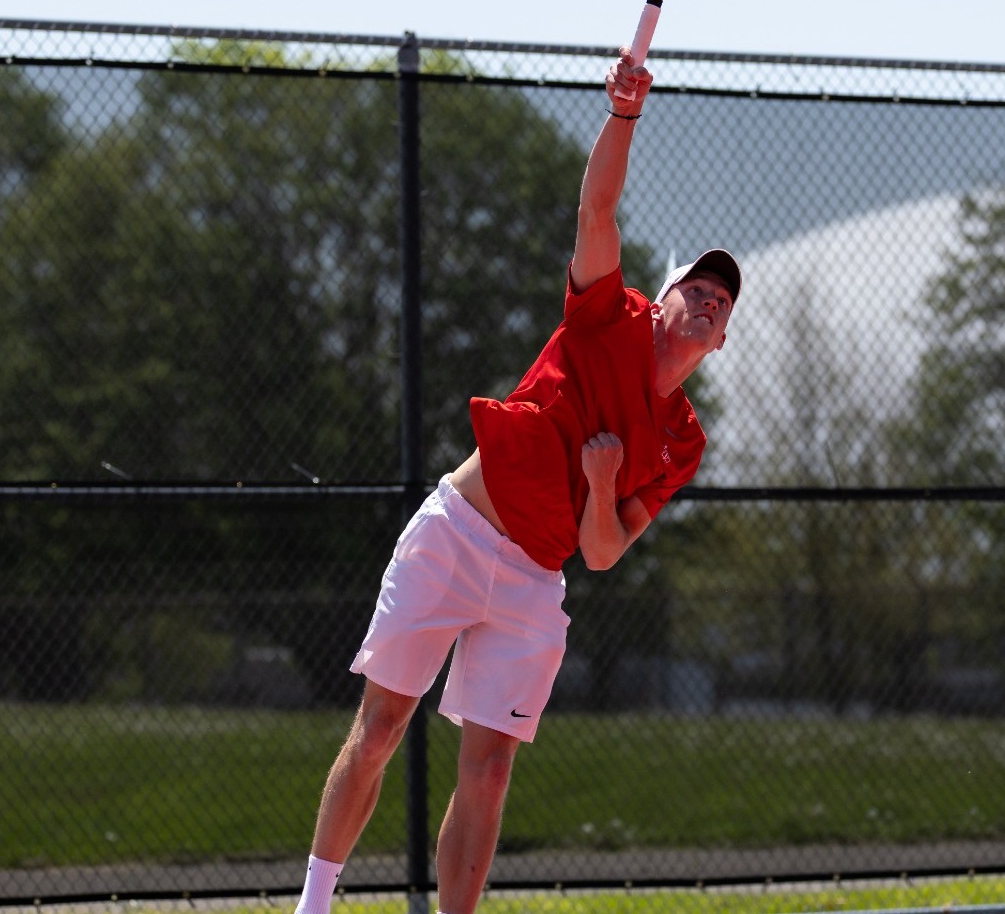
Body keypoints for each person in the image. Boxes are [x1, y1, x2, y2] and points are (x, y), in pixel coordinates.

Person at [291, 52, 741, 914]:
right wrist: (625, 113)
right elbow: (597, 206)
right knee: (381, 727)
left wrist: (602, 482)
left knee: (490, 768)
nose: (713, 299)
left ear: (718, 345)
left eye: (725, 301)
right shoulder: (606, 311)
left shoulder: (682, 440)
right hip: (459, 529)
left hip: (536, 577)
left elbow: (605, 552)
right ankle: (313, 906)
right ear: (666, 298)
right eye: (700, 285)